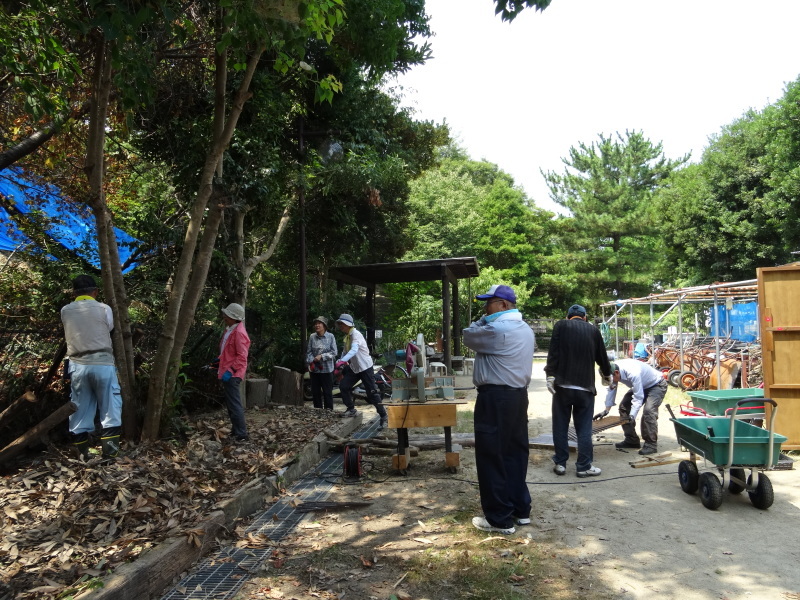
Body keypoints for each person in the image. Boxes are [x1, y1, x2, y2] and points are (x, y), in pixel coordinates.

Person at [462, 284, 535, 535]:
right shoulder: (524, 328)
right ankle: (519, 509)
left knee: (492, 455)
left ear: (503, 305)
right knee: (515, 453)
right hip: (517, 396)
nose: (485, 308)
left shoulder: (496, 328)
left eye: (489, 303)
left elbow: (467, 335)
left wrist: (482, 319)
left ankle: (498, 518)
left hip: (495, 398)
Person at [544, 304, 611, 478]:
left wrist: (550, 374)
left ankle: (560, 464)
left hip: (562, 387)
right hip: (585, 388)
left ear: (568, 317)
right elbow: (602, 357)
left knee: (560, 426)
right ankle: (583, 466)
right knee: (584, 429)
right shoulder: (593, 331)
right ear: (585, 317)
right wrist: (607, 374)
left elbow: (554, 352)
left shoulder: (560, 326)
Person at [60, 274, 122, 460]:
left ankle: (83, 454)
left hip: (77, 365)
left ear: (73, 294)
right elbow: (109, 328)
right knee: (110, 407)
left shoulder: (65, 310)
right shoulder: (104, 308)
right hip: (103, 363)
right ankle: (110, 455)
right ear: (95, 292)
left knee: (80, 408)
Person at [595, 358, 668, 455]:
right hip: (642, 385)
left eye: (612, 379)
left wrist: (632, 415)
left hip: (656, 385)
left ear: (616, 373)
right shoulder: (611, 369)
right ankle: (631, 440)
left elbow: (638, 398)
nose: (613, 382)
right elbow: (611, 389)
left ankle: (651, 444)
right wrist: (606, 410)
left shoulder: (633, 372)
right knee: (624, 407)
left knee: (649, 411)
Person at [334, 314, 388, 428]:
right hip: (355, 368)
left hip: (365, 367)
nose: (340, 326)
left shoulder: (356, 335)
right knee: (343, 386)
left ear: (347, 324)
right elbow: (345, 351)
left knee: (372, 393)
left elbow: (354, 350)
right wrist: (340, 360)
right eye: (339, 324)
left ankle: (383, 416)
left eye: (341, 324)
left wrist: (343, 361)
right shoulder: (348, 337)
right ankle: (350, 409)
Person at [218, 303, 251, 442]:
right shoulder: (230, 330)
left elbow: (242, 357)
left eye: (227, 315)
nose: (224, 316)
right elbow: (226, 352)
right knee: (231, 404)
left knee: (234, 403)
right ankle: (236, 430)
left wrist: (231, 371)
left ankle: (242, 434)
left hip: (232, 374)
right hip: (226, 370)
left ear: (233, 317)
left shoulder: (239, 333)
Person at [305, 316, 337, 410]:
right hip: (315, 370)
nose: (317, 325)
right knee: (316, 392)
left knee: (327, 392)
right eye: (316, 323)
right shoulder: (312, 336)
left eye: (319, 323)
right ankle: (318, 412)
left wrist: (322, 356)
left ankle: (328, 412)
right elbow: (309, 352)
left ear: (324, 326)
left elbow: (334, 352)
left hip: (327, 370)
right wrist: (312, 360)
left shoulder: (331, 336)